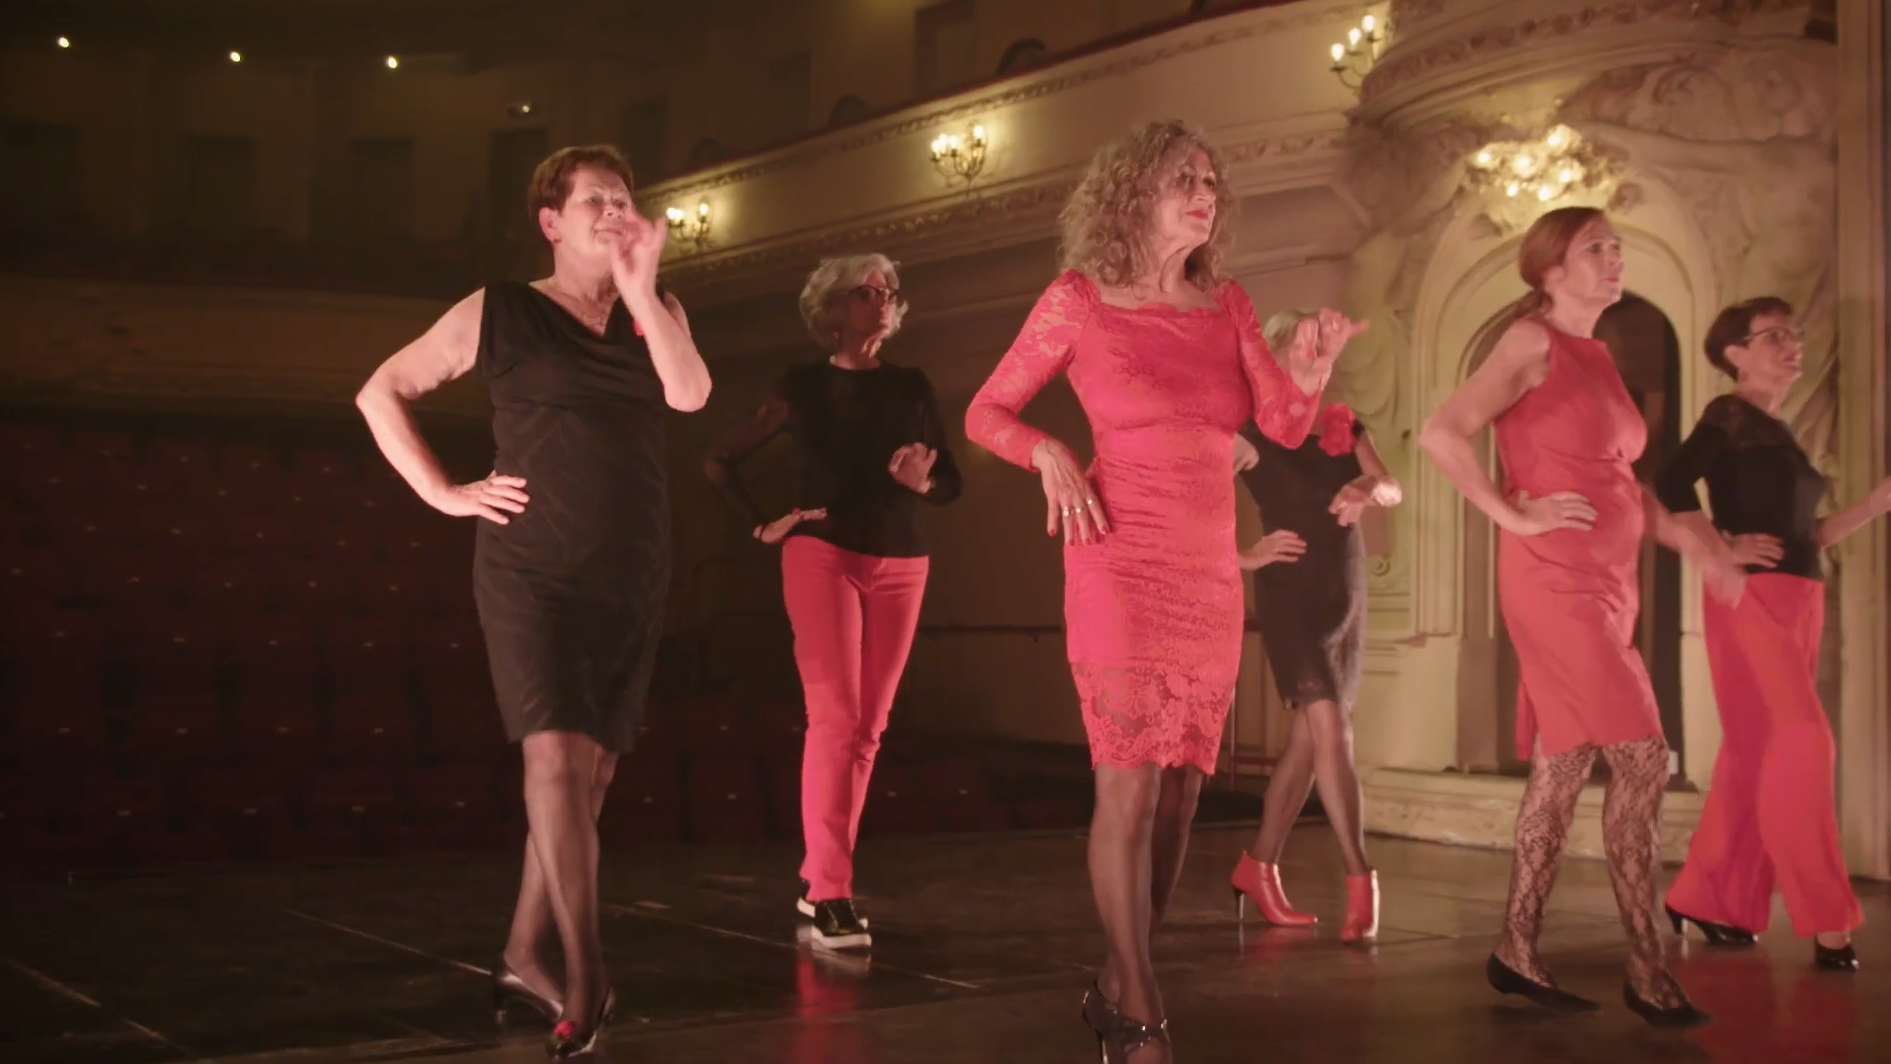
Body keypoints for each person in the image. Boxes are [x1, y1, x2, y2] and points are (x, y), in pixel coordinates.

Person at [965, 120, 1362, 1063]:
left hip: (1206, 574)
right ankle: (1143, 1008)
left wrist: (1309, 370)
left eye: (1212, 180)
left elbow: (1282, 422)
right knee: (1129, 789)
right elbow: (988, 411)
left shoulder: (1224, 304)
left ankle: (1115, 981)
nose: (1204, 192)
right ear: (1129, 192)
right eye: (1183, 177)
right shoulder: (1078, 300)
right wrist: (1049, 450)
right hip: (1116, 557)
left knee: (1183, 797)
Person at [355, 145, 710, 1060]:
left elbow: (690, 394)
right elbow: (379, 389)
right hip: (531, 570)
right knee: (552, 761)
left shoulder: (654, 310)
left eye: (622, 199)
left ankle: (522, 950)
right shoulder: (501, 310)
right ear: (550, 224)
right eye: (592, 199)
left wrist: (641, 289)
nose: (611, 209)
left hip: (630, 573)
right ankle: (587, 972)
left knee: (588, 780)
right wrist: (443, 493)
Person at [1418, 206, 1740, 1029]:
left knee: (1562, 767)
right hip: (1554, 581)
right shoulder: (1532, 341)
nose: (1612, 258)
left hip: (1609, 581)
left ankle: (1515, 948)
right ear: (1548, 267)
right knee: (1641, 758)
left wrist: (1687, 539)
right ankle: (1646, 964)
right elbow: (1441, 433)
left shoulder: (1596, 355)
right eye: (1594, 247)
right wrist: (1513, 515)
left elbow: (1616, 478)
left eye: (1616, 247)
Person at [703, 253, 962, 949]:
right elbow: (718, 459)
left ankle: (820, 877)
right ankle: (830, 893)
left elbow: (950, 483)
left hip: (903, 561)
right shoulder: (803, 386)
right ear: (833, 310)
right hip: (821, 555)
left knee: (869, 729)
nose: (882, 302)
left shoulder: (910, 385)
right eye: (865, 293)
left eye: (889, 293)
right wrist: (763, 523)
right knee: (835, 718)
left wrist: (921, 485)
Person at [1656, 297, 1889, 972]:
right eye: (1773, 337)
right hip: (1748, 597)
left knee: (1755, 751)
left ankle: (1708, 897)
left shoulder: (1777, 431)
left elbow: (1807, 537)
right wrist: (1716, 546)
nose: (1791, 345)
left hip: (1801, 596)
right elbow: (1669, 479)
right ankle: (1826, 918)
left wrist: (1873, 505)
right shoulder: (1728, 415)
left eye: (1794, 334)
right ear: (1735, 353)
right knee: (1803, 738)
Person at [1227, 312, 1401, 943]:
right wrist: (1243, 556)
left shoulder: (1342, 422)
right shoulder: (1249, 433)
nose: (1319, 362)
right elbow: (1186, 501)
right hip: (1291, 590)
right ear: (1272, 363)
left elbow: (1392, 487)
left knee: (1308, 742)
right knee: (1332, 727)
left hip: (1344, 589)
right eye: (1306, 351)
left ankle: (1257, 866)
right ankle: (1361, 877)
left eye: (1325, 356)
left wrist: (1363, 488)